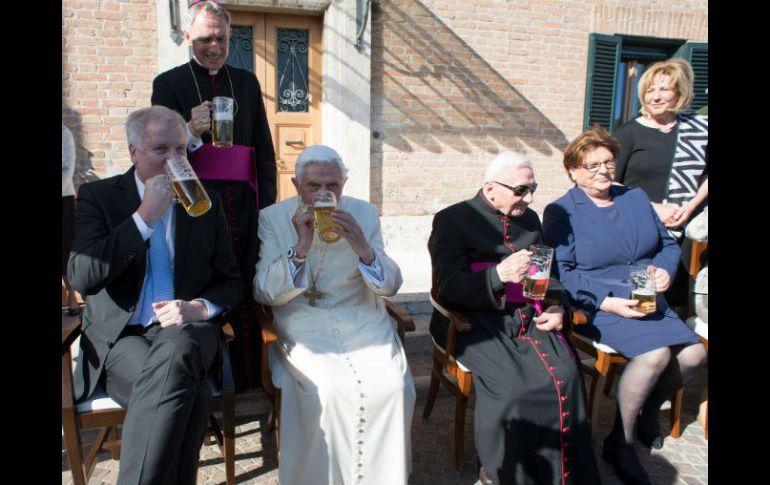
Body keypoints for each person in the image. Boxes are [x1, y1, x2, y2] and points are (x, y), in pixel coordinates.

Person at [68, 106, 243, 484]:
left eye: (180, 149)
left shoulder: (204, 202)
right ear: (133, 151)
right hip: (124, 339)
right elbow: (82, 276)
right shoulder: (100, 197)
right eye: (161, 149)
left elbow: (231, 281)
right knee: (190, 397)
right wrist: (144, 218)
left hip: (190, 331)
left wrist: (199, 308)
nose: (174, 160)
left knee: (178, 346)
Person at [542, 126, 706, 485]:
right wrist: (608, 303)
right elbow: (563, 272)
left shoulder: (634, 197)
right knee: (656, 355)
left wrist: (664, 272)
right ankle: (622, 443)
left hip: (646, 295)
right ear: (573, 171)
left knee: (695, 354)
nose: (603, 170)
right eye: (592, 165)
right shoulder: (561, 211)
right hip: (599, 303)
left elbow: (666, 245)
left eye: (608, 162)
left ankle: (647, 409)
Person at [428, 151, 600, 485]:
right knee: (511, 391)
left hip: (529, 315)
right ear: (490, 188)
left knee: (567, 373)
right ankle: (498, 473)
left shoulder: (530, 219)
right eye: (521, 190)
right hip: (474, 322)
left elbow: (545, 273)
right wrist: (498, 276)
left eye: (532, 189)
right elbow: (447, 287)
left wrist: (558, 307)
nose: (529, 198)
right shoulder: (452, 219)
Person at [254, 145, 416, 485]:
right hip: (302, 321)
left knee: (393, 385)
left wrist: (363, 247)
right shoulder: (272, 217)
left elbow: (390, 286)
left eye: (333, 186)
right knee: (327, 388)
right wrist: (300, 247)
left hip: (361, 317)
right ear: (296, 185)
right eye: (314, 186)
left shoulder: (364, 213)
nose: (324, 194)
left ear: (344, 183)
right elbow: (263, 291)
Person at [151, 0, 276, 392]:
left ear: (230, 36)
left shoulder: (247, 82)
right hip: (196, 207)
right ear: (188, 36)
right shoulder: (168, 83)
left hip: (244, 203)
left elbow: (264, 151)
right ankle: (208, 386)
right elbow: (159, 153)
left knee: (247, 282)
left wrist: (267, 210)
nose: (214, 46)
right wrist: (189, 131)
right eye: (205, 38)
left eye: (221, 38)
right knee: (203, 287)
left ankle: (252, 377)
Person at [613, 58, 708, 314]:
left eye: (664, 89)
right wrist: (654, 207)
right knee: (642, 298)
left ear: (679, 92)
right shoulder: (628, 133)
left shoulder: (699, 129)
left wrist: (690, 206)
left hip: (685, 228)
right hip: (640, 225)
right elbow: (611, 182)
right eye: (650, 90)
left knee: (678, 299)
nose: (655, 96)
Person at [62, 121, 81, 316]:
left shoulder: (63, 132)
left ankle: (72, 296)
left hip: (63, 199)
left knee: (64, 249)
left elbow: (67, 168)